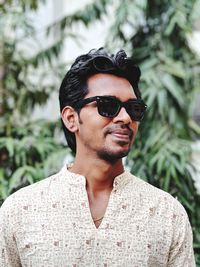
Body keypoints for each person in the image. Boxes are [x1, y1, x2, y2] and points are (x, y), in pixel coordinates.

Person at [0, 48, 195, 267]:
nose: (125, 117)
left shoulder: (166, 214)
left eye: (134, 108)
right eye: (107, 106)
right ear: (71, 118)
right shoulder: (21, 211)